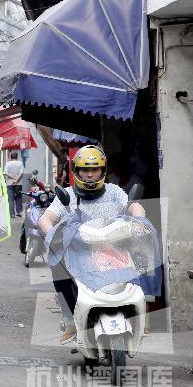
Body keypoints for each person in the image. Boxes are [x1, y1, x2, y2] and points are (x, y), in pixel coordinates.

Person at [38, 145, 145, 344]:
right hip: (78, 251)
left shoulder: (113, 192)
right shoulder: (68, 195)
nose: (89, 174)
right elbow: (46, 218)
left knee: (141, 261)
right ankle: (70, 320)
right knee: (57, 266)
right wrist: (53, 233)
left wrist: (138, 219)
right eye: (84, 170)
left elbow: (132, 205)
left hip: (112, 249)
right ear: (76, 171)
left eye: (94, 169)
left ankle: (135, 313)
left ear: (102, 171)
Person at [3, 151, 24, 217]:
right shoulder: (20, 163)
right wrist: (16, 180)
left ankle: (12, 214)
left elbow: (5, 172)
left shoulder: (8, 164)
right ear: (17, 156)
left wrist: (12, 178)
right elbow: (21, 173)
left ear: (10, 156)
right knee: (18, 198)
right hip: (18, 184)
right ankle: (19, 212)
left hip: (9, 183)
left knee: (10, 199)